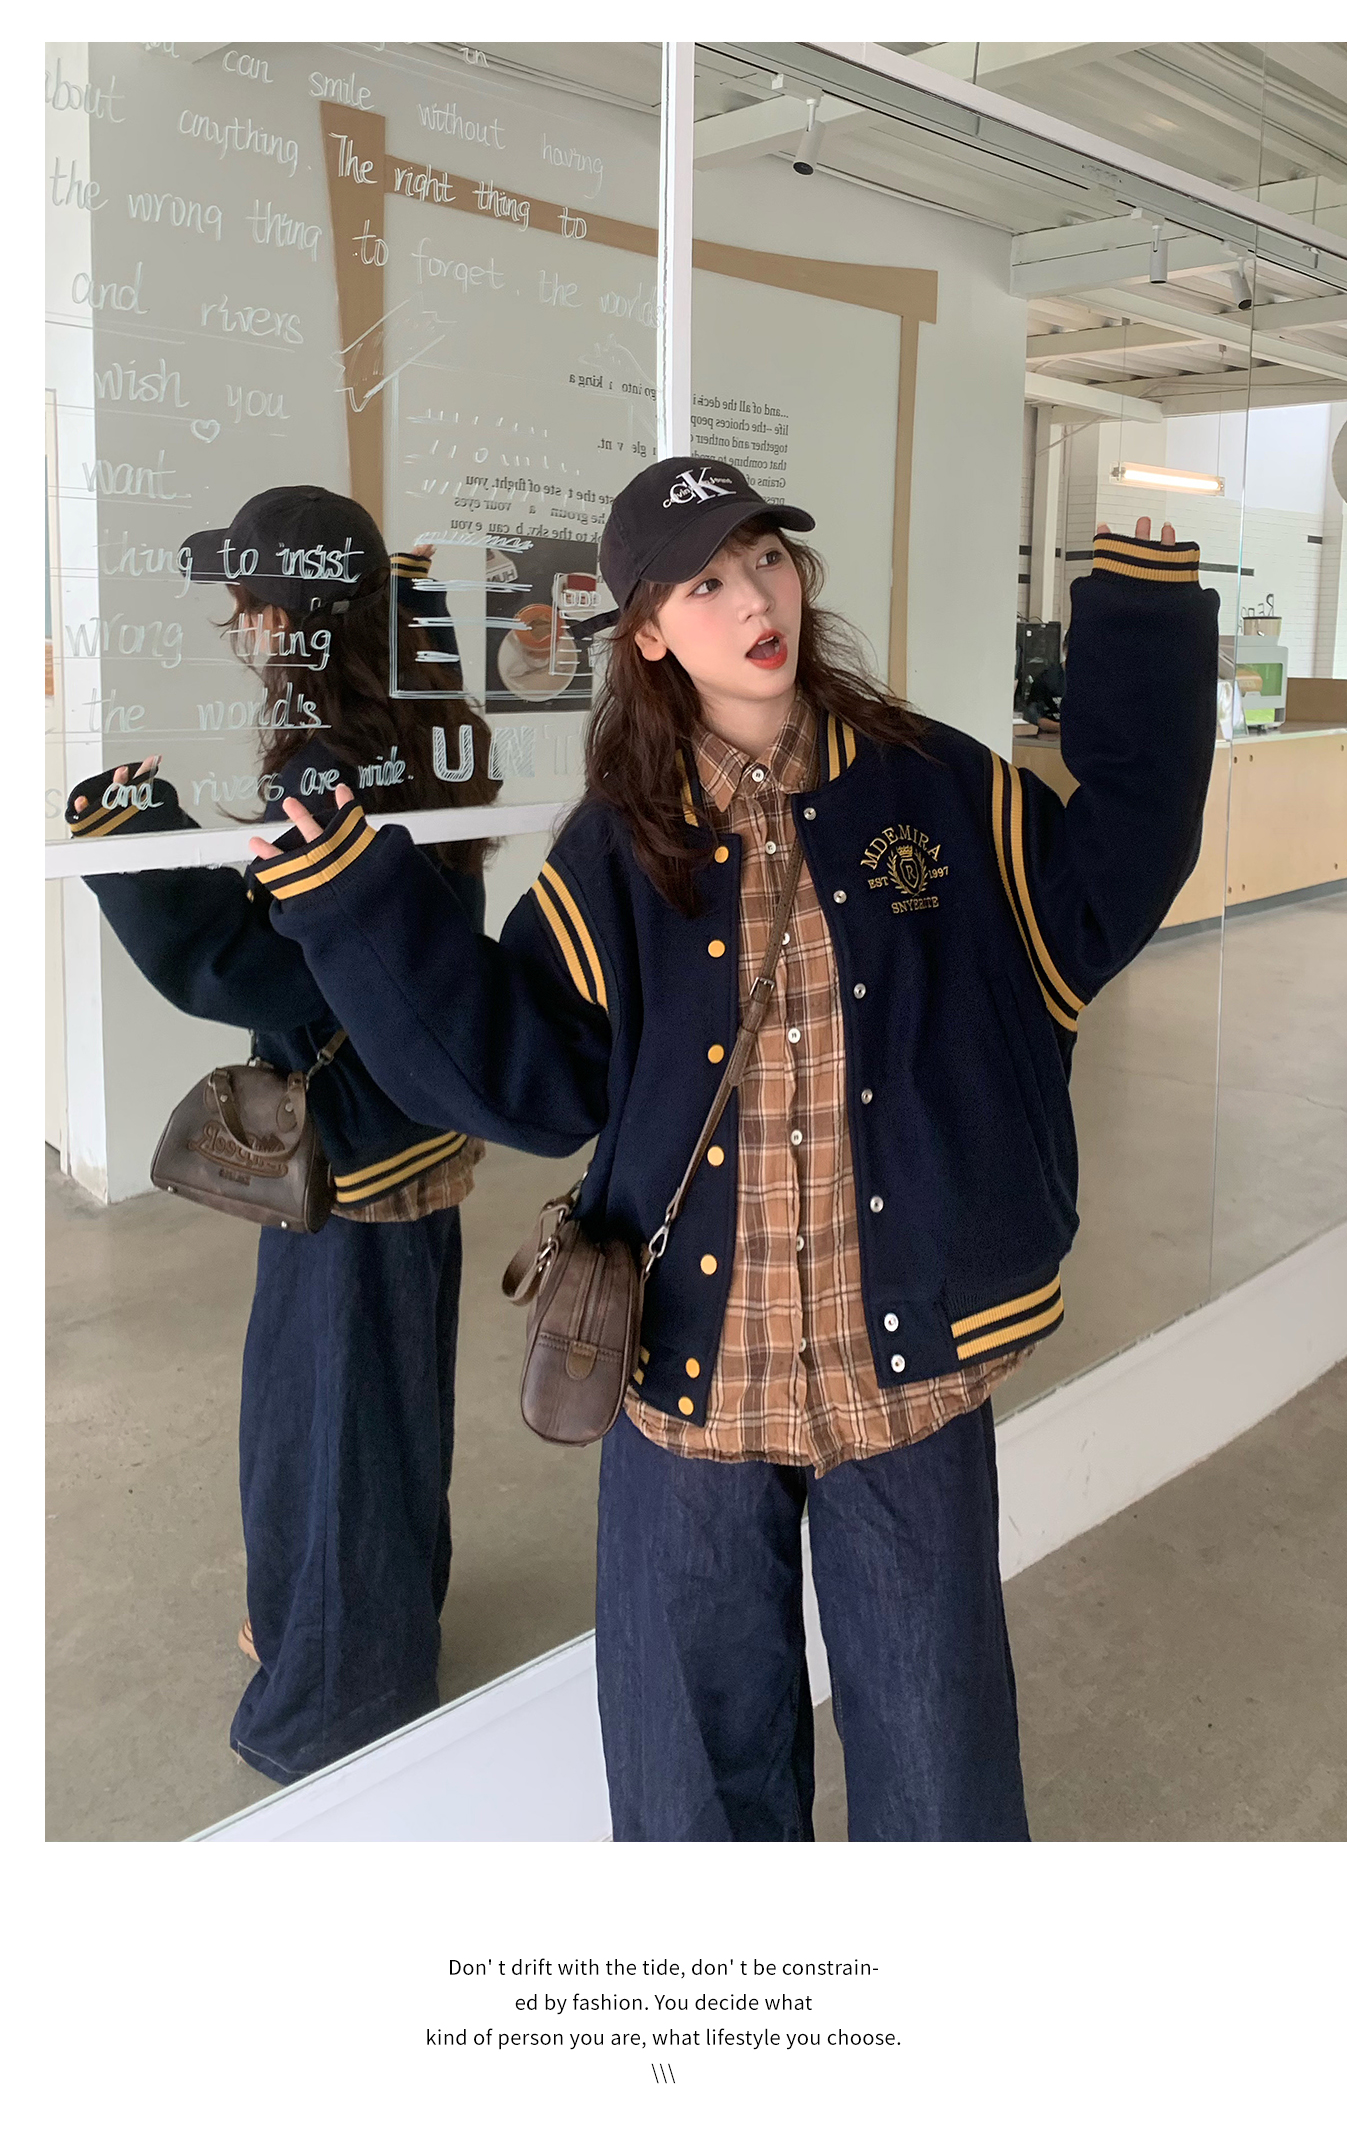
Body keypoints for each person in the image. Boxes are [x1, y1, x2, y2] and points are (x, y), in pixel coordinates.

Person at [247, 459, 1219, 1839]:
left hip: (905, 1368)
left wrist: (1145, 621)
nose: (754, 599)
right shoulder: (620, 845)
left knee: (938, 1759)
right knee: (693, 1776)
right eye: (704, 582)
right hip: (693, 1374)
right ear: (648, 632)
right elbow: (527, 1076)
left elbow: (1108, 877)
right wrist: (356, 904)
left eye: (765, 559)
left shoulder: (934, 785)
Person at [65, 486, 501, 1784]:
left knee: (330, 1425)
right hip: (413, 1118)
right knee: (384, 1407)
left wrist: (128, 838)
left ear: (293, 617)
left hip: (351, 1144)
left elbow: (273, 965)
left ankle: (339, 1693)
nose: (240, 626)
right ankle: (376, 1628)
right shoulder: (424, 720)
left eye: (249, 603)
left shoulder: (324, 761)